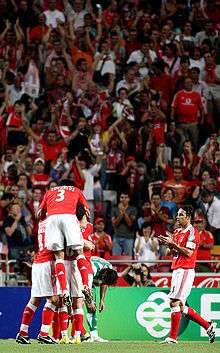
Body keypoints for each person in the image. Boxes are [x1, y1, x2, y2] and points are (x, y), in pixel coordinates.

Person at [158, 206, 216, 344]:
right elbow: (168, 253)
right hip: (177, 269)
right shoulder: (177, 231)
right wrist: (168, 244)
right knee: (181, 307)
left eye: (181, 214)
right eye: (178, 214)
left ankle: (172, 338)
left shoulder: (192, 232)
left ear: (188, 217)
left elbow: (189, 253)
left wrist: (174, 244)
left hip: (185, 270)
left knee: (174, 302)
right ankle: (208, 326)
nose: (178, 217)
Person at [38, 180, 91, 307]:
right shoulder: (76, 190)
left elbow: (40, 213)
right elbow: (86, 210)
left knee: (58, 257)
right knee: (79, 253)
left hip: (52, 218)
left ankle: (64, 290)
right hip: (69, 217)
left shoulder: (50, 191)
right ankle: (85, 285)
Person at [16, 218, 59, 345]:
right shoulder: (55, 222)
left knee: (35, 299)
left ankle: (23, 333)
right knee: (53, 299)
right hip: (47, 262)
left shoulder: (42, 223)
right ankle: (44, 334)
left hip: (38, 262)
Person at [111, 192, 137, 256]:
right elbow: (114, 224)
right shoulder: (115, 209)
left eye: (126, 197)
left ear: (129, 199)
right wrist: (121, 214)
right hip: (117, 237)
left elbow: (130, 223)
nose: (124, 199)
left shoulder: (133, 209)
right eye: (122, 197)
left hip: (129, 238)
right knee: (116, 261)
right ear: (119, 199)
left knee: (128, 261)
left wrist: (123, 212)